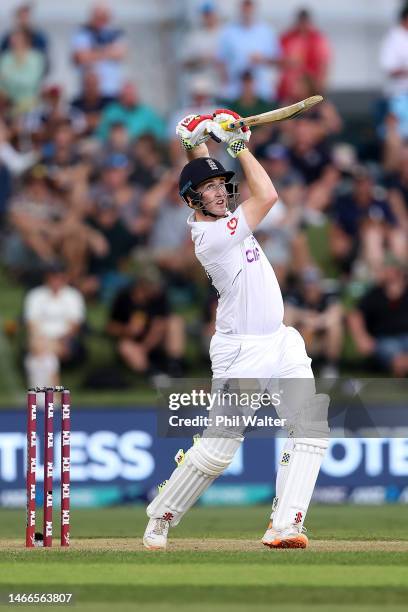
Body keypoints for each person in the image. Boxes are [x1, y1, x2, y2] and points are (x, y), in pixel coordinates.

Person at [143, 109, 330, 550]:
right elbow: (267, 195)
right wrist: (240, 144)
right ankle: (161, 515)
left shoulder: (220, 215)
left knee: (310, 429)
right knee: (218, 451)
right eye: (208, 190)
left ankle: (285, 526)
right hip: (241, 350)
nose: (220, 193)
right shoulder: (211, 237)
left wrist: (195, 136)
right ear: (193, 202)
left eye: (220, 184)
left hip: (281, 341)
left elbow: (198, 163)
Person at [24, 263, 86, 389]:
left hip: (66, 340)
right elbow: (31, 323)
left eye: (59, 277)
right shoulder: (35, 295)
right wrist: (43, 339)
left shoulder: (73, 296)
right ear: (47, 278)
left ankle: (41, 395)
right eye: (53, 277)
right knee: (47, 358)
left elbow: (75, 325)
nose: (56, 280)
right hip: (40, 339)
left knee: (37, 357)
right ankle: (51, 396)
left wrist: (57, 340)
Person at [348, 258, 408, 377]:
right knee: (397, 360)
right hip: (385, 340)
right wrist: (362, 338)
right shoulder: (375, 294)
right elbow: (354, 315)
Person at [217, 0, 281, 101]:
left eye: (249, 5)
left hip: (261, 91)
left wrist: (262, 59)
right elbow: (221, 60)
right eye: (244, 5)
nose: (247, 9)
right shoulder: (229, 31)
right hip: (235, 92)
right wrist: (225, 82)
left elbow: (277, 59)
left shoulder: (266, 31)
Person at [284, 267, 343, 378]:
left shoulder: (328, 297)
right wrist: (305, 317)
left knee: (335, 327)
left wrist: (316, 321)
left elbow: (336, 313)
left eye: (313, 283)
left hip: (321, 340)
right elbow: (287, 313)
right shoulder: (295, 296)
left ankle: (330, 366)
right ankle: (291, 365)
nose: (310, 287)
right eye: (307, 284)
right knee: (288, 326)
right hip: (302, 340)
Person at [71, 2, 127, 100]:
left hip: (112, 90)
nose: (101, 19)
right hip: (89, 92)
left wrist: (92, 52)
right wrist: (108, 51)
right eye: (98, 16)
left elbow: (120, 54)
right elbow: (82, 57)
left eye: (103, 15)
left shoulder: (116, 33)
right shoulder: (82, 33)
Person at [277, 8, 331, 102]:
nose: (303, 25)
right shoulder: (287, 37)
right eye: (301, 21)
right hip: (289, 91)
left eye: (305, 21)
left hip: (311, 89)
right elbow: (278, 60)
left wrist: (320, 87)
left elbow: (324, 64)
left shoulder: (317, 39)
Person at [97, 81, 166, 142]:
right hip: (112, 149)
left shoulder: (147, 113)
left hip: (140, 149)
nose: (130, 98)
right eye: (127, 95)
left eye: (132, 94)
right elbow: (101, 133)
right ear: (121, 96)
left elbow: (160, 132)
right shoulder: (112, 111)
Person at [0, 28, 45, 114]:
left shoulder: (35, 58)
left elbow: (30, 81)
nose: (13, 41)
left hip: (28, 102)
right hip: (6, 101)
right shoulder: (7, 57)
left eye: (17, 39)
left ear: (26, 40)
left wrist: (8, 78)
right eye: (13, 38)